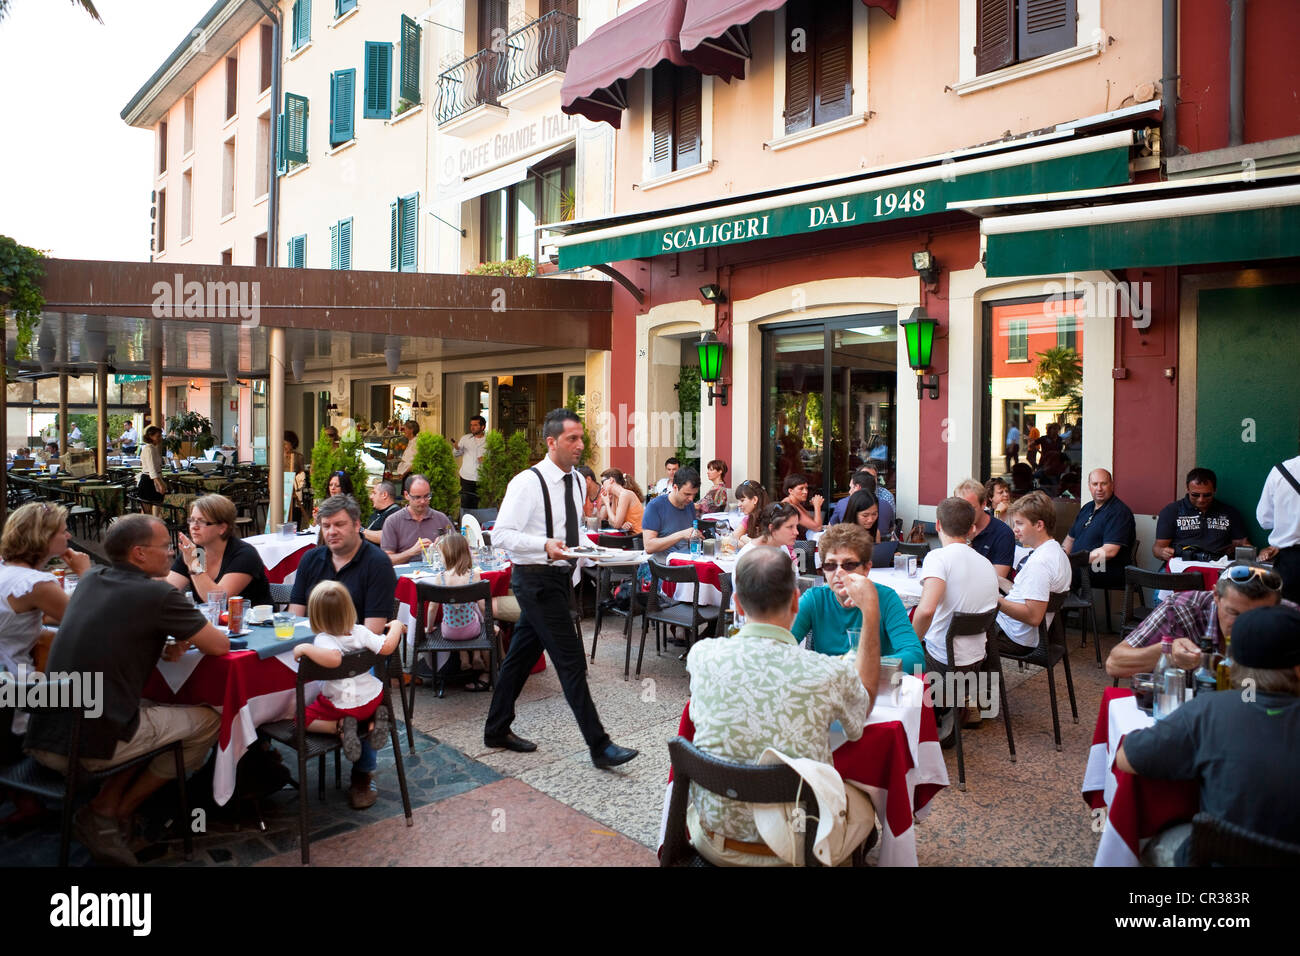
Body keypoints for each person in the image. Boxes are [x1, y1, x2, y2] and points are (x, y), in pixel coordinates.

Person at [24, 515, 229, 866]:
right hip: (85, 746)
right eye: (164, 547)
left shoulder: (90, 580)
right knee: (209, 720)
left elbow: (115, 631)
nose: (170, 554)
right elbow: (219, 646)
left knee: (146, 712)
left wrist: (163, 643)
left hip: (44, 733)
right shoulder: (160, 593)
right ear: (139, 553)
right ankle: (108, 813)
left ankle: (108, 808)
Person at [685, 546, 879, 866]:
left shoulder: (702, 656)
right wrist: (870, 614)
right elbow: (862, 711)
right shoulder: (828, 672)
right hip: (797, 849)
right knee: (865, 803)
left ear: (737, 604)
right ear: (795, 600)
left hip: (715, 841)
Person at [484, 407, 637, 769]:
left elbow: (574, 533)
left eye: (581, 437)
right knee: (571, 662)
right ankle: (600, 746)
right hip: (535, 580)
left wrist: (594, 553)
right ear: (551, 442)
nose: (580, 445)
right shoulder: (527, 483)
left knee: (520, 657)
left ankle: (495, 728)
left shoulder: (574, 482)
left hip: (558, 579)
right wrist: (544, 546)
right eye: (572, 438)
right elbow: (501, 535)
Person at [1115, 605, 1300, 865]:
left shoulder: (1209, 711)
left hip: (1215, 860)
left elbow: (1126, 758)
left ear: (1232, 660)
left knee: (1151, 841)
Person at [288, 495, 399, 809]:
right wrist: (313, 652)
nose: (331, 531)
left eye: (339, 524)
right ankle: (262, 759)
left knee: (356, 684)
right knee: (268, 677)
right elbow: (295, 616)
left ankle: (362, 773)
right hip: (315, 649)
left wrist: (329, 659)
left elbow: (374, 631)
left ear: (357, 525)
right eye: (326, 526)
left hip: (359, 654)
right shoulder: (311, 560)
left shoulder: (376, 563)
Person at [0, 503, 90, 770]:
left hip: (6, 677)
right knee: (97, 695)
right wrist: (86, 574)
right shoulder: (36, 584)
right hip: (16, 688)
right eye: (64, 531)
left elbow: (35, 617)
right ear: (44, 538)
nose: (69, 536)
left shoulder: (7, 571)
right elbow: (87, 622)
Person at [1105, 562, 1294, 679]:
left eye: (1258, 617)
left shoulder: (1290, 618)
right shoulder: (1181, 608)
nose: (1245, 625)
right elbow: (1115, 664)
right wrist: (1168, 652)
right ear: (1215, 596)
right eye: (1234, 613)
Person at [910, 497, 1000, 731]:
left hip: (941, 664)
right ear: (972, 529)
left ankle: (921, 726)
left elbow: (926, 609)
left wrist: (909, 643)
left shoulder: (938, 558)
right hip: (975, 663)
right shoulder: (986, 564)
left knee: (895, 659)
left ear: (937, 525)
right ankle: (951, 708)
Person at [791, 523, 925, 674]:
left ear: (867, 568)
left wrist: (861, 666)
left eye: (848, 565)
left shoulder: (886, 598)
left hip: (873, 688)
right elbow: (781, 644)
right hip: (829, 687)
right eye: (830, 565)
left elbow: (915, 658)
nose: (838, 572)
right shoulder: (815, 599)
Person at [294, 581, 401, 761]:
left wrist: (305, 648)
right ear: (349, 608)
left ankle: (338, 726)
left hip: (342, 705)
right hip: (373, 699)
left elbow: (335, 658)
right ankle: (374, 723)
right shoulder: (361, 632)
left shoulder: (324, 639)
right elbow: (388, 646)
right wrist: (396, 625)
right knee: (363, 704)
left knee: (300, 718)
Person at [994, 491, 1072, 654]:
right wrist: (996, 578)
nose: (1015, 530)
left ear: (1039, 525)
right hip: (1021, 632)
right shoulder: (1056, 551)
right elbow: (1025, 594)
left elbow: (1033, 616)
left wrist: (994, 600)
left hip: (1013, 636)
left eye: (1020, 524)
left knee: (950, 627)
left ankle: (963, 678)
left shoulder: (1040, 563)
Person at [167, 493, 272, 608]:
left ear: (222, 528)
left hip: (254, 623)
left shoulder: (244, 554)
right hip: (212, 623)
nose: (193, 526)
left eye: (202, 521)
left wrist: (194, 565)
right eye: (191, 520)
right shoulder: (198, 553)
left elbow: (217, 600)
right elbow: (166, 590)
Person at [424, 532, 491, 685]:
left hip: (448, 632)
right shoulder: (474, 576)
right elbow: (482, 606)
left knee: (457, 613)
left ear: (447, 555)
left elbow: (432, 608)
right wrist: (489, 624)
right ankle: (476, 657)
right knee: (474, 610)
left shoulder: (440, 577)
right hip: (471, 631)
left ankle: (464, 658)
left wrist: (429, 628)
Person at [1154, 468, 1250, 562]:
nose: (1201, 499)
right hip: (1182, 564)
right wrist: (1162, 552)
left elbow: (1242, 545)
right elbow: (1157, 548)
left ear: (1215, 490)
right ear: (1187, 489)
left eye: (1207, 495)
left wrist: (1248, 550)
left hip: (1218, 564)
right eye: (1195, 495)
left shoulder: (1229, 512)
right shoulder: (1171, 511)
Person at [1061, 468, 1136, 590]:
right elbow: (1070, 539)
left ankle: (1061, 608)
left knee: (1066, 573)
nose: (1099, 488)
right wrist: (1061, 557)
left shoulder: (1119, 512)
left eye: (1104, 484)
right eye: (1095, 484)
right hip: (1082, 565)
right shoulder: (1087, 508)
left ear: (1111, 485)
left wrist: (1076, 561)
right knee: (1052, 568)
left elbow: (1110, 552)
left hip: (1106, 567)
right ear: (1089, 486)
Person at [380, 475, 453, 565]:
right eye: (417, 497)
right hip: (404, 576)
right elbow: (386, 560)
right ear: (406, 495)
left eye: (426, 496)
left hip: (435, 574)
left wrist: (446, 545)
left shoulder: (441, 518)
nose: (423, 501)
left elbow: (459, 550)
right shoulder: (393, 521)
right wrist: (411, 552)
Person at [1256, 453, 1300, 602]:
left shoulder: (1281, 471)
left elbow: (1264, 520)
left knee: (1290, 617)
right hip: (1290, 558)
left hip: (1292, 562)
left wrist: (1289, 523)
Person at [954, 478, 1015, 578]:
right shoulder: (956, 526)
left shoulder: (1003, 533)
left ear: (984, 504)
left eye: (970, 508)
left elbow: (998, 578)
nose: (964, 514)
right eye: (960, 509)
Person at [643, 466, 703, 556]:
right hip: (663, 566)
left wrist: (696, 537)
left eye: (694, 494)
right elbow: (649, 547)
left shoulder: (689, 504)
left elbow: (688, 538)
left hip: (687, 561)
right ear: (675, 487)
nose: (691, 499)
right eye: (687, 494)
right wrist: (681, 535)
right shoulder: (655, 506)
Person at [736, 502, 801, 572]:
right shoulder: (753, 557)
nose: (796, 532)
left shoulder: (781, 546)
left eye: (796, 526)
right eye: (790, 527)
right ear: (772, 528)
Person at [454, 415, 487, 512]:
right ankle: (465, 525)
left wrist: (487, 460)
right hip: (466, 477)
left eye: (475, 425)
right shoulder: (465, 438)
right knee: (465, 504)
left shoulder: (489, 440)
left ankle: (478, 525)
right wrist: (457, 448)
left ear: (483, 427)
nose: (472, 427)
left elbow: (496, 457)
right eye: (471, 425)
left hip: (482, 478)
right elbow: (457, 454)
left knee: (480, 505)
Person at [597, 468, 644, 533]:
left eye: (603, 482)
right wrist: (622, 525)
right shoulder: (615, 496)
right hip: (628, 535)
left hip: (638, 537)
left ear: (611, 480)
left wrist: (607, 504)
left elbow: (616, 524)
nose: (602, 486)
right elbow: (611, 522)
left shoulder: (625, 494)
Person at [136, 425, 166, 516]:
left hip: (151, 479)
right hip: (148, 481)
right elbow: (151, 469)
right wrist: (160, 484)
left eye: (160, 436)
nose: (160, 439)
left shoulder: (153, 448)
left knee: (148, 511)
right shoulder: (149, 449)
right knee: (147, 512)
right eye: (158, 436)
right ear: (150, 437)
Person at [782, 473, 824, 538]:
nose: (806, 492)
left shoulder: (796, 503)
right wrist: (817, 506)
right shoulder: (789, 506)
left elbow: (811, 521)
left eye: (806, 488)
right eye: (801, 489)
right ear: (790, 491)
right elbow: (817, 527)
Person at [363, 481, 402, 545]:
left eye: (374, 493)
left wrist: (360, 530)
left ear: (384, 495)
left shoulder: (396, 514)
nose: (370, 497)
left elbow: (386, 537)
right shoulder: (376, 512)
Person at [862, 463, 896, 536]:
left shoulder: (886, 496)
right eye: (866, 477)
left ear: (877, 479)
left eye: (873, 477)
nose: (870, 480)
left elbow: (889, 524)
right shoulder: (854, 493)